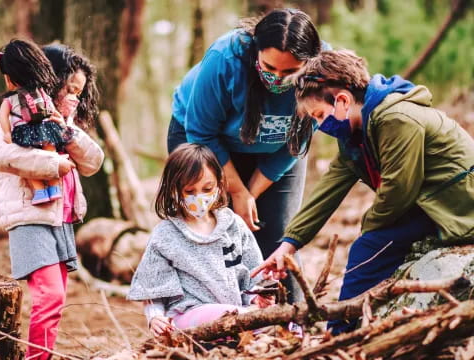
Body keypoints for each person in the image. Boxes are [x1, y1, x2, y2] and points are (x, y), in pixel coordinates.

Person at [252, 50, 474, 335]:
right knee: (371, 245)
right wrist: (288, 245)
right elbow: (328, 189)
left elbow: (398, 191)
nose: (320, 125)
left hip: (457, 206)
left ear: (342, 100)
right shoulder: (357, 133)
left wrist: (367, 230)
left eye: (319, 115)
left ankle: (340, 333)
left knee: (368, 248)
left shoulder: (396, 118)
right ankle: (348, 326)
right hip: (430, 204)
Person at [168, 8, 329, 303]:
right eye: (269, 67)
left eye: (289, 72)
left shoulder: (324, 72)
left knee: (278, 235)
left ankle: (292, 320)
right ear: (256, 52)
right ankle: (205, 317)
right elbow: (201, 131)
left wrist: (249, 194)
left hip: (280, 150)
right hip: (204, 140)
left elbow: (297, 143)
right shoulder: (225, 58)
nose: (277, 78)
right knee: (211, 230)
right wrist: (236, 193)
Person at [0, 42, 104, 359]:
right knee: (49, 295)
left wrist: (66, 131)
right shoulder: (18, 116)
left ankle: (44, 354)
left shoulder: (61, 125)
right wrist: (53, 164)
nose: (74, 97)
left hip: (61, 219)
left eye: (79, 93)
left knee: (56, 302)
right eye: (69, 88)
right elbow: (3, 154)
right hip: (30, 215)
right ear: (48, 80)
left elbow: (93, 161)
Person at [127, 143, 272, 336]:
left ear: (219, 184)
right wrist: (155, 317)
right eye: (190, 191)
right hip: (189, 317)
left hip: (238, 313)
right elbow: (153, 286)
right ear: (173, 190)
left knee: (284, 321)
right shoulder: (165, 235)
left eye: (207, 188)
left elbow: (252, 273)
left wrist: (257, 298)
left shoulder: (234, 225)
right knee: (230, 317)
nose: (199, 197)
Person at [0, 39, 74, 205]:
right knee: (45, 153)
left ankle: (45, 190)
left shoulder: (11, 100)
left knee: (38, 158)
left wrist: (8, 132)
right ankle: (46, 190)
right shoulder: (39, 94)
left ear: (9, 78)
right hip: (43, 130)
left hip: (28, 132)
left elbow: (4, 117)